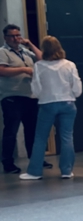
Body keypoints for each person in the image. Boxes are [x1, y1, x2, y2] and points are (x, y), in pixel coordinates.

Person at [19, 36, 81, 180]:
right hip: (68, 103)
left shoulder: (39, 66)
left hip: (47, 104)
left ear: (44, 49)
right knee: (67, 137)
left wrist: (43, 96)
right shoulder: (69, 64)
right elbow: (77, 86)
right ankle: (66, 171)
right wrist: (73, 95)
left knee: (41, 138)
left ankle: (34, 172)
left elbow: (36, 88)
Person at [0, 24, 47, 174]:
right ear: (5, 37)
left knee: (32, 130)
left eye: (18, 35)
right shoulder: (3, 52)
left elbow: (43, 59)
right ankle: (8, 163)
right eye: (12, 36)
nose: (16, 39)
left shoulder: (25, 51)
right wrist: (23, 69)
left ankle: (35, 159)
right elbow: (2, 71)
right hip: (12, 97)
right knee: (11, 131)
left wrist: (31, 44)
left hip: (30, 96)